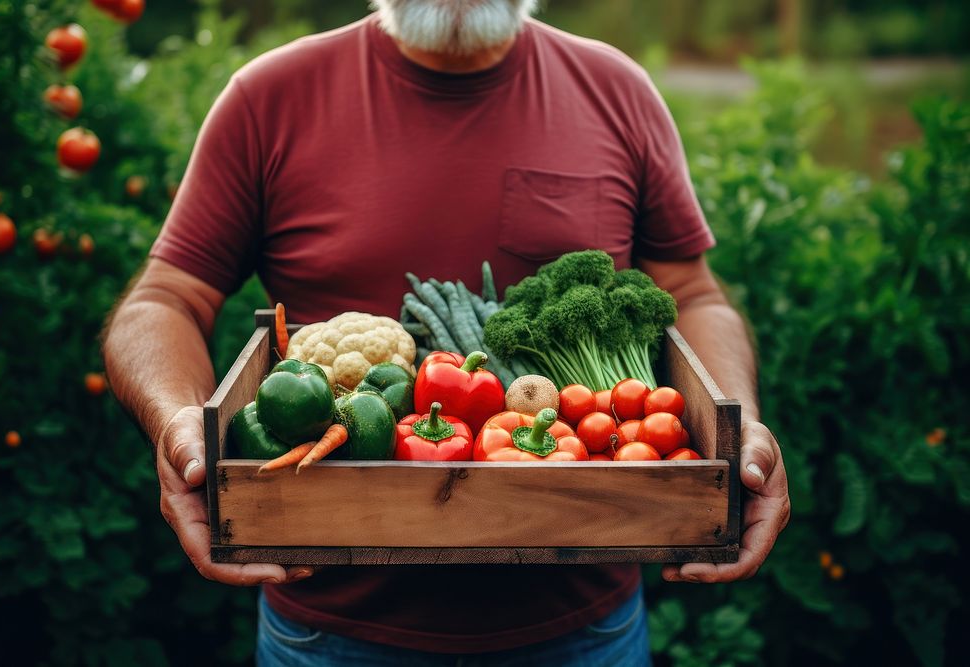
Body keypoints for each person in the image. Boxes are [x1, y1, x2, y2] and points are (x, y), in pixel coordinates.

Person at [102, 1, 790, 665]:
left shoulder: (616, 91)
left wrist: (739, 424)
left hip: (584, 630)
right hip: (330, 633)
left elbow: (694, 293)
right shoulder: (269, 98)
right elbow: (165, 298)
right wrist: (177, 420)